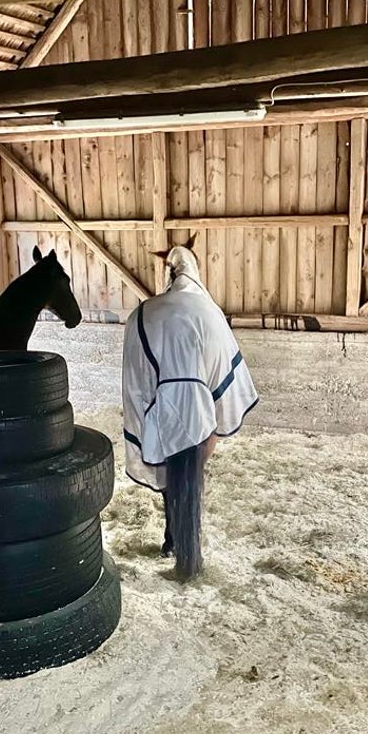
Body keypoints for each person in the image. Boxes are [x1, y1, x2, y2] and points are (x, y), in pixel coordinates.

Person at [121, 236, 258, 580]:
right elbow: (225, 368)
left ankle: (171, 537)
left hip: (160, 408)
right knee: (191, 471)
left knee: (171, 469)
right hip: (201, 412)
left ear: (168, 270)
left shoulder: (144, 314)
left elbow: (137, 380)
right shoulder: (210, 313)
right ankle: (188, 546)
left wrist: (145, 414)